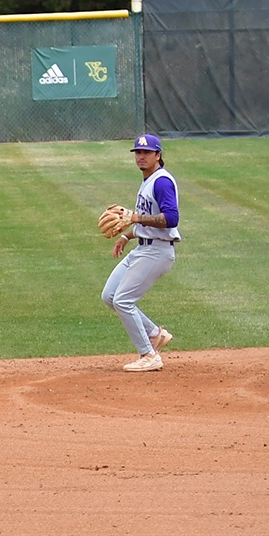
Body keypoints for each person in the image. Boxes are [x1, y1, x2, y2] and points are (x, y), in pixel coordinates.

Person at [102, 133, 181, 373]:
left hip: (157, 252)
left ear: (158, 155)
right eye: (138, 152)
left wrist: (135, 218)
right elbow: (147, 220)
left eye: (146, 152)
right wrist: (127, 235)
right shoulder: (147, 181)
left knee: (124, 301)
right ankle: (155, 335)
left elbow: (171, 218)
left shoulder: (161, 181)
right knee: (110, 296)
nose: (141, 156)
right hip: (143, 248)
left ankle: (149, 354)